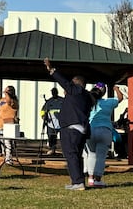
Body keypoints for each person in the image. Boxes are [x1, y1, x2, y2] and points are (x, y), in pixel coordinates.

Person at [44, 57, 93, 191]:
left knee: (71, 154)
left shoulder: (76, 90)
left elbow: (64, 82)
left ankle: (78, 182)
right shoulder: (87, 96)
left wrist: (51, 69)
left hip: (71, 128)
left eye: (71, 84)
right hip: (82, 129)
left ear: (76, 83)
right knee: (77, 155)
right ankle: (78, 181)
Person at [85, 83, 123, 187]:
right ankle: (98, 179)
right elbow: (120, 98)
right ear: (104, 93)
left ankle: (90, 178)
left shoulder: (89, 103)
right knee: (101, 157)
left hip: (91, 130)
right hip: (105, 130)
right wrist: (116, 89)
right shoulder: (109, 102)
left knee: (91, 155)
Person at [0, 85, 19, 165]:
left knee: (8, 143)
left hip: (9, 124)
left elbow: (10, 102)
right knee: (3, 143)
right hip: (1, 123)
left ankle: (8, 159)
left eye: (7, 91)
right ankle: (5, 157)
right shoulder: (2, 100)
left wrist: (7, 93)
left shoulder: (13, 101)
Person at [40, 87, 64, 155]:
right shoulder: (48, 101)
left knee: (64, 137)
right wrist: (43, 117)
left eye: (54, 92)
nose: (53, 93)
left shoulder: (62, 100)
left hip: (61, 123)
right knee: (51, 136)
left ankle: (65, 150)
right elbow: (42, 111)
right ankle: (52, 149)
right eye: (52, 92)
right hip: (51, 123)